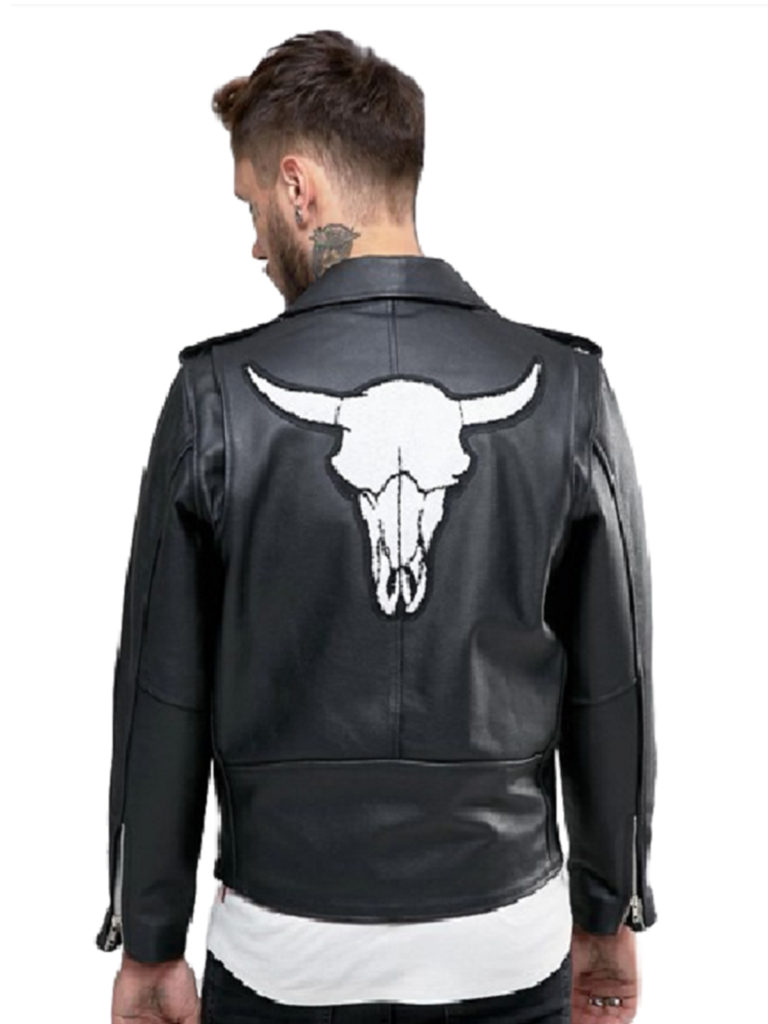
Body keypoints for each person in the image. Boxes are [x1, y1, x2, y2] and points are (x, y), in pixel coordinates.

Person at [95, 29, 658, 1024]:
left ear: (299, 187)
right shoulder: (567, 391)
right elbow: (613, 686)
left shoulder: (216, 400)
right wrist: (609, 911)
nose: (255, 243)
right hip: (504, 937)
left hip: (283, 944)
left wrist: (149, 941)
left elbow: (162, 697)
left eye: (252, 206)